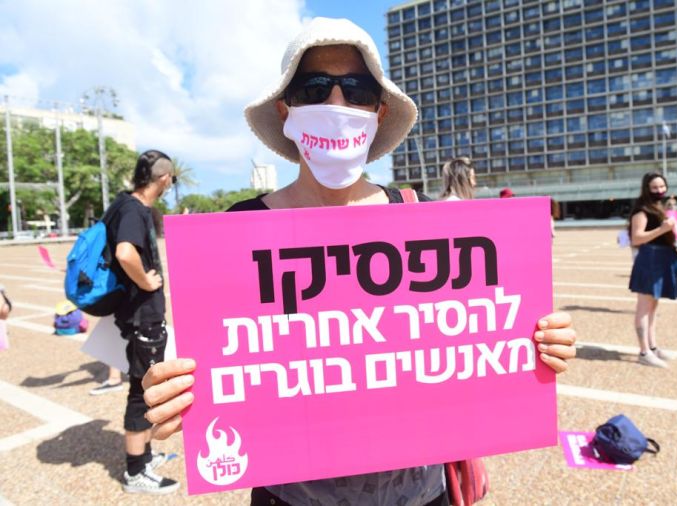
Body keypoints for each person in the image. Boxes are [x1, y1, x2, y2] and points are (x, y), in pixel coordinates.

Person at [142, 17, 576, 506]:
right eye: (314, 89)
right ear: (286, 109)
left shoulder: (425, 220)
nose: (336, 105)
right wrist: (174, 394)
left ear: (378, 110)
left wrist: (540, 342)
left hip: (421, 495)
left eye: (357, 91)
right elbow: (213, 362)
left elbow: (477, 342)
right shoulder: (236, 231)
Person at [106, 149, 179, 494]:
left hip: (134, 314)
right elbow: (125, 252)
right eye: (171, 179)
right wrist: (147, 282)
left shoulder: (122, 204)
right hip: (141, 317)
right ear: (163, 178)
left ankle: (145, 457)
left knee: (145, 388)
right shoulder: (134, 210)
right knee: (141, 391)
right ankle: (135, 472)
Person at [628, 172, 677, 368]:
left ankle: (652, 346)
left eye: (662, 186)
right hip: (649, 259)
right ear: (647, 189)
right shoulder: (642, 210)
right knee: (644, 307)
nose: (659, 190)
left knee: (653, 308)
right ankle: (644, 352)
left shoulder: (658, 207)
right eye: (655, 187)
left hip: (660, 258)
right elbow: (636, 238)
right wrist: (662, 229)